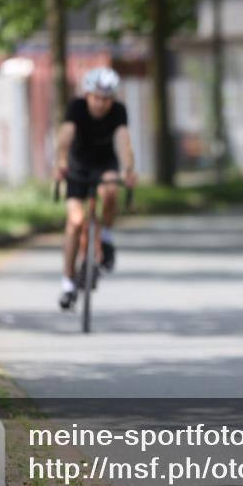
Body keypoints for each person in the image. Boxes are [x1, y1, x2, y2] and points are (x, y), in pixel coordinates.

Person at [54, 67, 137, 310]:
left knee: (111, 190)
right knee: (76, 222)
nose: (101, 104)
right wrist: (60, 163)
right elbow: (66, 135)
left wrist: (129, 169)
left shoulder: (119, 111)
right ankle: (68, 282)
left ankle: (106, 236)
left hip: (104, 164)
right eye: (96, 97)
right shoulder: (77, 107)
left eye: (106, 99)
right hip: (77, 167)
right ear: (88, 94)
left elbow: (123, 141)